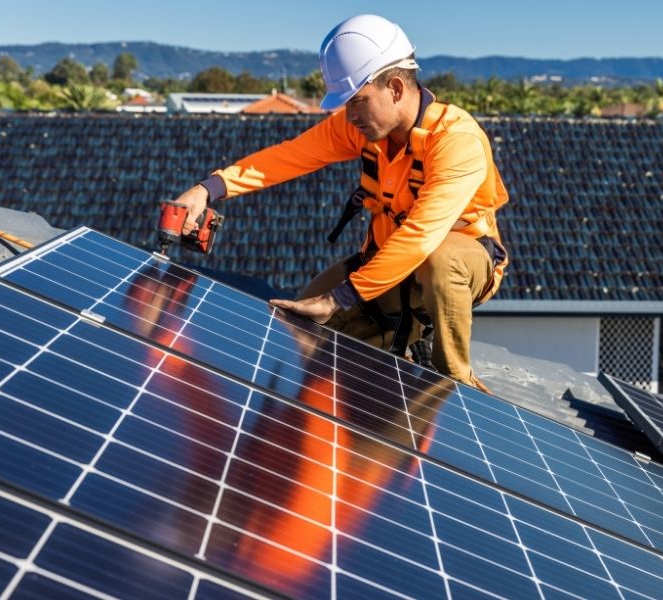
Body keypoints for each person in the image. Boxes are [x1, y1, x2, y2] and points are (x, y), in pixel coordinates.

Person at [171, 14, 508, 390]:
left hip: (455, 265)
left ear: (395, 87)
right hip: (385, 264)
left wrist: (341, 297)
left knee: (440, 262)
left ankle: (454, 385)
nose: (349, 115)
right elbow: (288, 157)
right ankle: (398, 349)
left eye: (357, 102)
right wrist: (210, 189)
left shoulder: (455, 141)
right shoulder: (364, 128)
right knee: (298, 325)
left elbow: (421, 234)